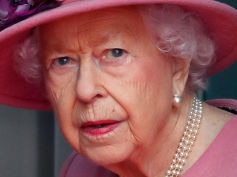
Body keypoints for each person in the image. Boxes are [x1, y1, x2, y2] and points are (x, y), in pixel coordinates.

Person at [0, 0, 237, 177]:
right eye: (62, 61)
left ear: (178, 66)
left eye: (115, 53)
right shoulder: (79, 169)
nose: (85, 90)